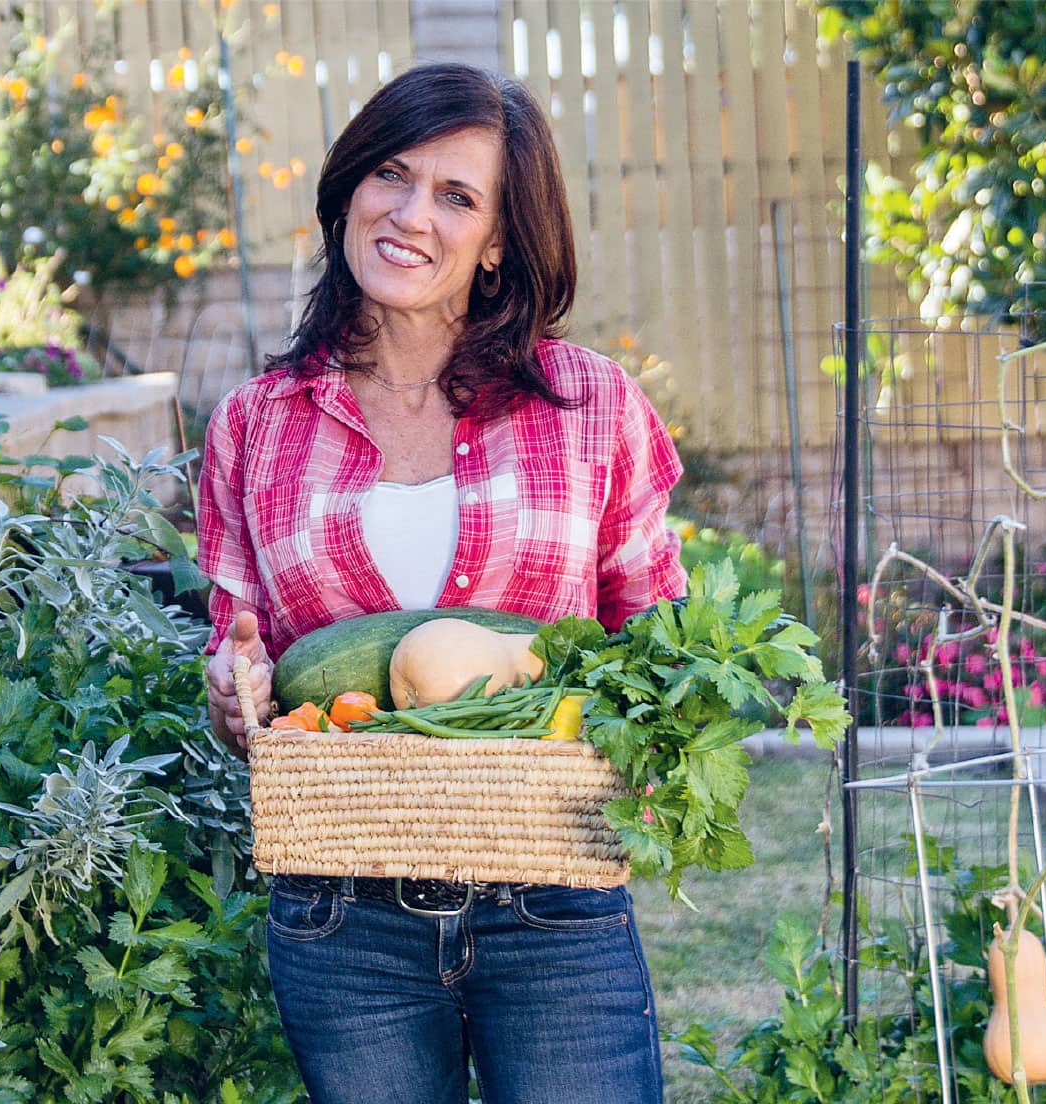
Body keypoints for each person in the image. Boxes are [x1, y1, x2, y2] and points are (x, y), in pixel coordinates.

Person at [197, 61, 683, 1104]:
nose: (410, 214)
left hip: (554, 893)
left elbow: (657, 635)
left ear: (500, 236)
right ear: (348, 190)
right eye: (390, 174)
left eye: (457, 196)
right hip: (343, 914)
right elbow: (237, 650)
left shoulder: (590, 405)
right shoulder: (254, 424)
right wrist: (232, 692)